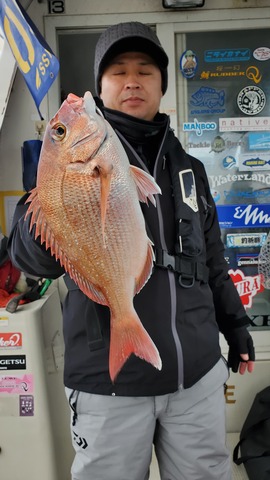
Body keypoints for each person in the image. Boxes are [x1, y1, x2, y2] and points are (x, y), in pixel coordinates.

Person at [8, 21, 255, 480]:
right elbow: (30, 258)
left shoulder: (191, 170)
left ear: (162, 83)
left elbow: (213, 261)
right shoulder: (67, 164)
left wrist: (236, 324)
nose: (132, 80)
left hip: (196, 375)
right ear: (100, 88)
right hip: (108, 382)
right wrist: (42, 210)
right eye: (118, 71)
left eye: (145, 70)